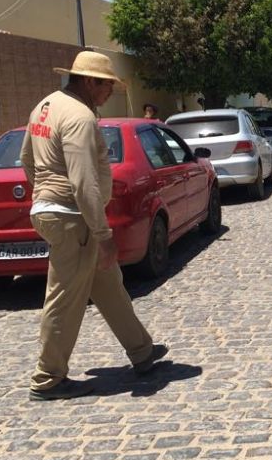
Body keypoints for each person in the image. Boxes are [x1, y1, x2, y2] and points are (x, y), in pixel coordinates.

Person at [20, 50, 168, 400]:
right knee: (64, 298)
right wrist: (103, 234)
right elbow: (83, 180)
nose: (109, 92)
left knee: (108, 284)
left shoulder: (45, 106)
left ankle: (141, 350)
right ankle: (48, 378)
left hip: (58, 210)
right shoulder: (79, 117)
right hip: (73, 218)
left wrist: (43, 194)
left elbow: (27, 159)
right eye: (106, 86)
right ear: (89, 81)